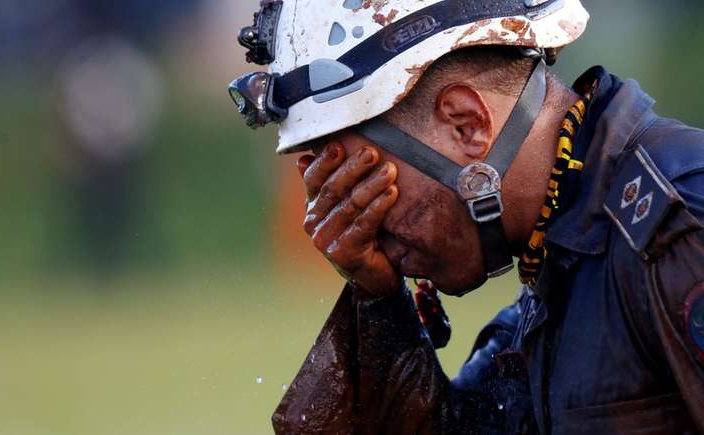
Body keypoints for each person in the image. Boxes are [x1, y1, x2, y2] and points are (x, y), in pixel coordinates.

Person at [228, 1, 704, 433]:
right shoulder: (562, 258)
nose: (365, 232)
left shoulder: (680, 229)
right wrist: (378, 303)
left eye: (366, 186)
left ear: (466, 124)